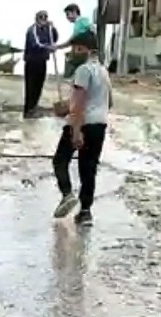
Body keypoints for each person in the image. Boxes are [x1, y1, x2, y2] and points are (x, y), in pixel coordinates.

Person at [51, 32, 112, 227]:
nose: (73, 52)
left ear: (84, 48)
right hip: (99, 124)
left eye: (75, 48)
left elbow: (78, 104)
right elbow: (109, 102)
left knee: (60, 160)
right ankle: (85, 212)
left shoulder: (83, 70)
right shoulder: (103, 71)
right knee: (89, 167)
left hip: (82, 123)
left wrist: (76, 130)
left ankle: (67, 194)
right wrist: (69, 106)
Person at [24, 11, 59, 117]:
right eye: (41, 17)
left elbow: (55, 38)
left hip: (42, 61)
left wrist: (53, 28)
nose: (43, 19)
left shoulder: (46, 30)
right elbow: (35, 44)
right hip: (32, 61)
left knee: (39, 86)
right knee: (31, 87)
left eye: (45, 17)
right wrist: (48, 47)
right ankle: (28, 110)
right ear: (37, 18)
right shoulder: (32, 30)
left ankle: (33, 108)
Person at [56, 4, 94, 79]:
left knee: (71, 72)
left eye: (68, 14)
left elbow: (73, 40)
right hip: (83, 52)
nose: (67, 17)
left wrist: (58, 46)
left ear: (74, 12)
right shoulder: (82, 22)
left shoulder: (81, 21)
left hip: (82, 53)